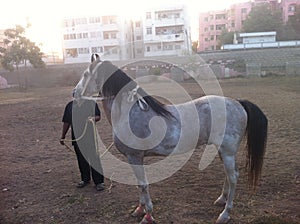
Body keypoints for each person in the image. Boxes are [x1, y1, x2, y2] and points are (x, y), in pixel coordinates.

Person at [60, 96, 105, 191]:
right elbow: (66, 122)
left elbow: (98, 116)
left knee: (94, 158)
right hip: (77, 137)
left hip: (90, 137)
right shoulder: (70, 106)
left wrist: (92, 119)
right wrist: (63, 136)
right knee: (81, 159)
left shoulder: (91, 104)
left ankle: (99, 182)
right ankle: (85, 179)